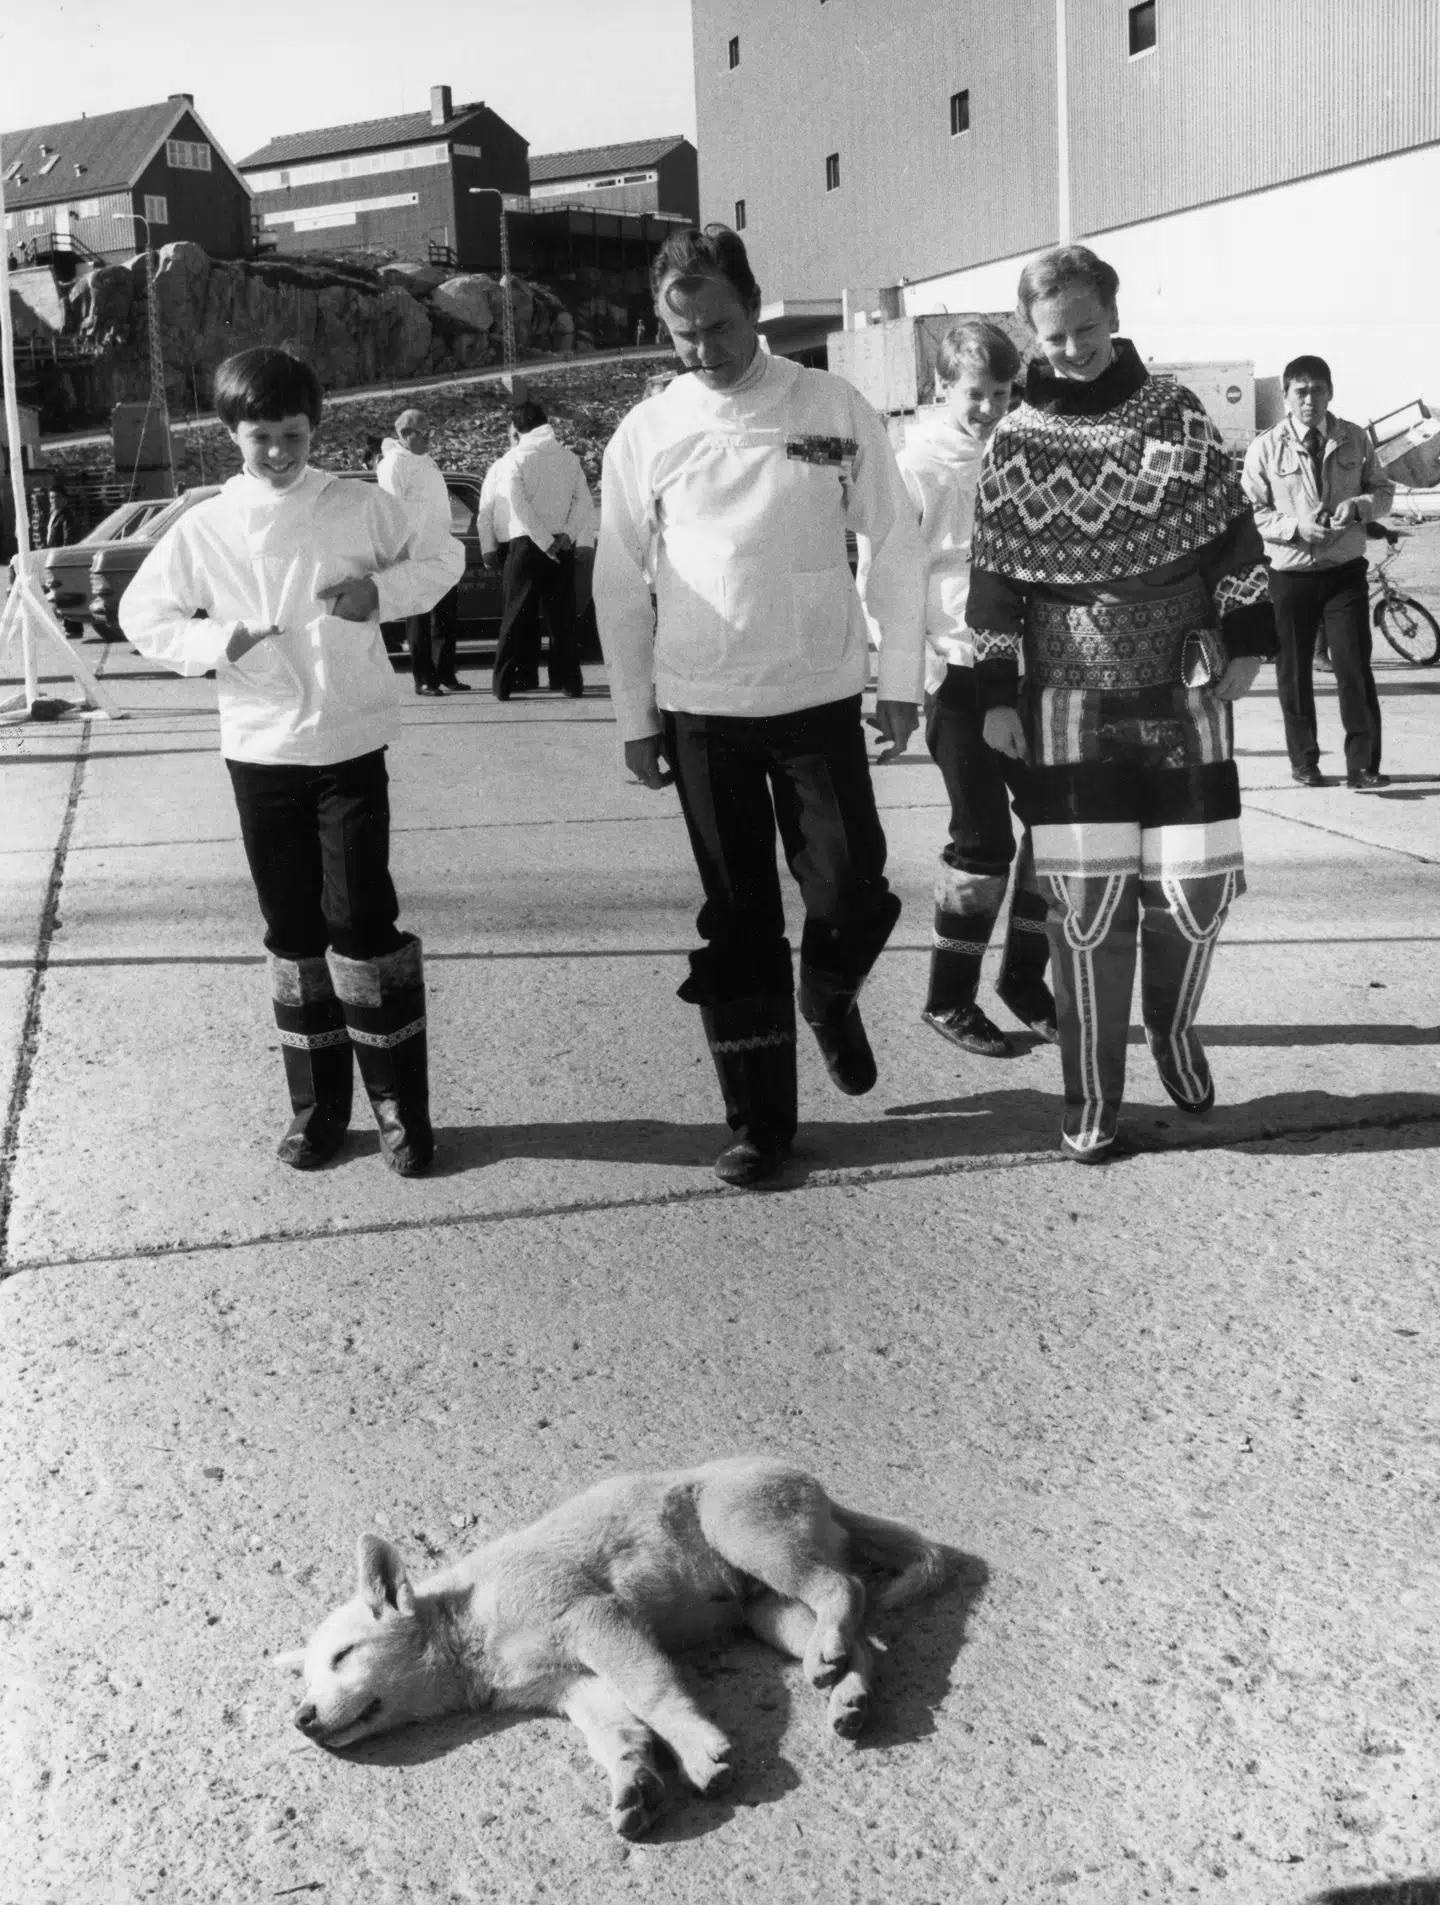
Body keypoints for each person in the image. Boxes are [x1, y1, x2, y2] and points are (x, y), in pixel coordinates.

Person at [594, 223, 925, 1188]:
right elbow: (619, 578)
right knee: (737, 921)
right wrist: (634, 716)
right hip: (702, 708)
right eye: (683, 335)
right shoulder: (648, 431)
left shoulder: (829, 404)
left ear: (754, 306)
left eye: (721, 327)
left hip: (816, 695)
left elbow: (894, 541)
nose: (705, 350)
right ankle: (759, 1124)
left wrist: (900, 682)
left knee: (850, 885)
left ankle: (828, 992)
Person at [120, 347, 463, 1177]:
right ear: (231, 433)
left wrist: (380, 595)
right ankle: (318, 1110)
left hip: (347, 742)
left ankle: (400, 1109)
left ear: (316, 430)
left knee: (361, 922)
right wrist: (217, 640)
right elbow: (144, 613)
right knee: (293, 929)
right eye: (262, 436)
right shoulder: (206, 525)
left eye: (294, 436)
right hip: (260, 746)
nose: (278, 452)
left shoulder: (358, 505)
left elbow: (442, 556)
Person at [968, 245, 1276, 1164]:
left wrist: (1249, 639)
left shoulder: (1177, 412)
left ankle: (1171, 1027)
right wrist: (994, 694)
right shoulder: (1015, 439)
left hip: (1185, 690)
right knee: (1089, 908)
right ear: (1034, 335)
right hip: (1069, 704)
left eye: (1087, 329)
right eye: (1054, 337)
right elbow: (993, 583)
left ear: (1113, 313)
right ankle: (1093, 1094)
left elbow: (1233, 534)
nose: (1072, 349)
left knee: (1195, 893)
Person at [896, 319, 1056, 1059]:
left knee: (1058, 825)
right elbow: (888, 578)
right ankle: (948, 998)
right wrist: (908, 677)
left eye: (1001, 393)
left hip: (1027, 671)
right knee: (984, 839)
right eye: (974, 394)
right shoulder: (916, 464)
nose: (990, 408)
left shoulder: (1025, 451)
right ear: (941, 387)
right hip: (956, 674)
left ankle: (1023, 978)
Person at [1242, 356, 1393, 790]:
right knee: (1293, 672)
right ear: (1286, 396)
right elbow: (1253, 511)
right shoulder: (1265, 447)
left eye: (1318, 390)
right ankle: (1304, 760)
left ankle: (1363, 766)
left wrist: (1359, 506)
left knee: (1353, 667)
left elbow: (1382, 490)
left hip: (1344, 573)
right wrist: (1296, 528)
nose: (1310, 400)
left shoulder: (1354, 438)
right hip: (1290, 576)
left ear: (1330, 392)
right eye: (1301, 391)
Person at [486, 400, 595, 700]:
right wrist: (566, 536)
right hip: (561, 545)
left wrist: (543, 541)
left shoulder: (514, 459)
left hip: (526, 544)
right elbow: (584, 502)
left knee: (514, 616)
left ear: (517, 427)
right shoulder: (569, 458)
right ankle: (569, 682)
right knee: (562, 619)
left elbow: (518, 505)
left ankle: (502, 684)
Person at [376, 409, 468, 695]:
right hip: (415, 551)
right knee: (420, 615)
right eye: (425, 433)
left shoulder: (426, 460)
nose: (430, 438)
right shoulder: (393, 464)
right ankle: (425, 679)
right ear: (405, 434)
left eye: (431, 431)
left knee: (445, 615)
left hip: (441, 547)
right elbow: (393, 510)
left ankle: (445, 672)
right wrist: (403, 549)